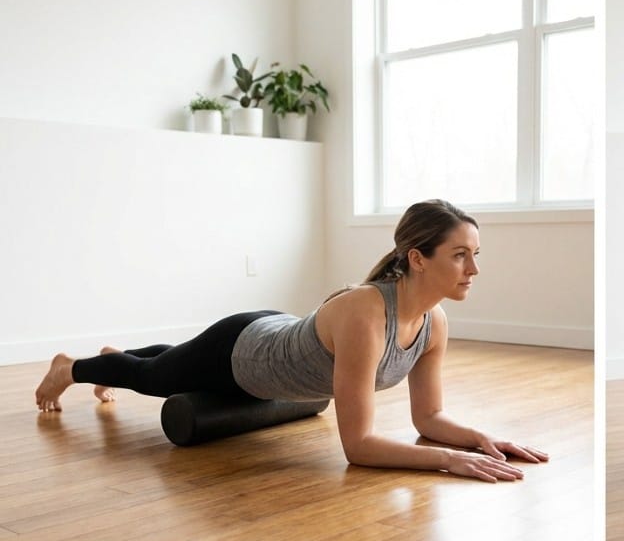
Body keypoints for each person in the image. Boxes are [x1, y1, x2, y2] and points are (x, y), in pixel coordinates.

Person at [35, 199, 548, 483]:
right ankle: (70, 368)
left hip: (277, 337)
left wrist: (477, 439)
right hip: (243, 350)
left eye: (475, 254)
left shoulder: (434, 323)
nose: (474, 268)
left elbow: (428, 419)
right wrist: (446, 460)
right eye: (460, 254)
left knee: (170, 363)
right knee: (153, 379)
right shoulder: (368, 313)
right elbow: (358, 446)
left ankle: (111, 359)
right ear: (418, 258)